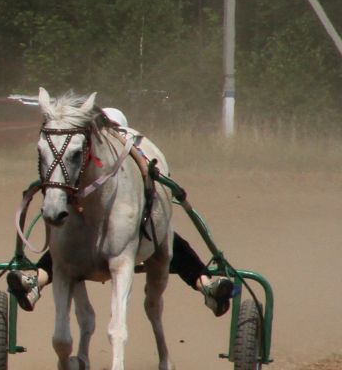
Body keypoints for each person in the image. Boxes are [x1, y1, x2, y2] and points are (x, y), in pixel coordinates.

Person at [12, 105, 234, 317]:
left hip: (114, 227)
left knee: (70, 246)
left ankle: (36, 281)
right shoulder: (107, 153)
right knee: (167, 241)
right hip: (121, 228)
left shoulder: (111, 152)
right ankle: (206, 284)